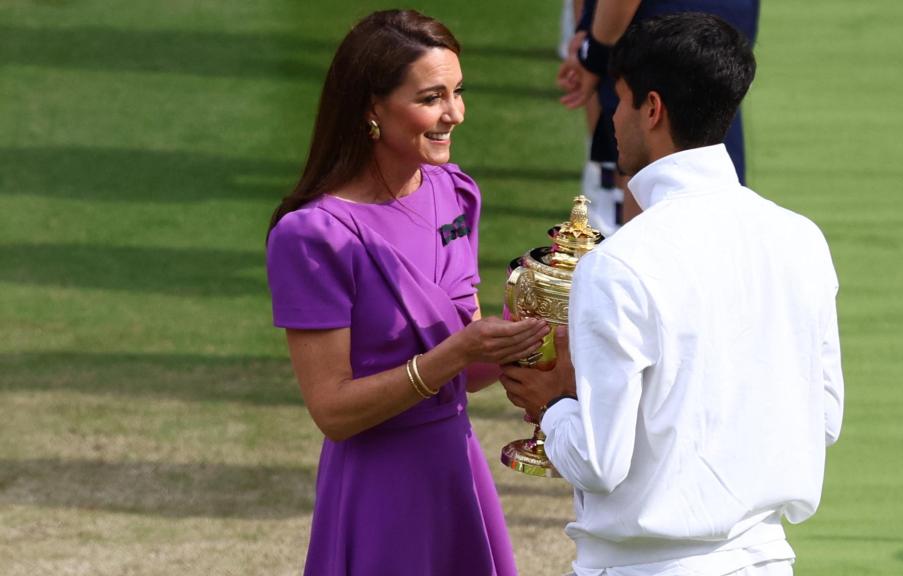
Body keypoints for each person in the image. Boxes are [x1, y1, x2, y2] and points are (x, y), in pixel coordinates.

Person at [501, 13, 843, 576]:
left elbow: (598, 461)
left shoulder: (618, 264)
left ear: (652, 109)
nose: (612, 117)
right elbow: (823, 417)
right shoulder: (801, 239)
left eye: (621, 99)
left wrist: (554, 405)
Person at [265, 10, 549, 575]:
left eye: (458, 92)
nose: (454, 114)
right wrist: (459, 353)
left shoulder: (456, 193)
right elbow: (333, 412)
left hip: (457, 469)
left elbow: (465, 370)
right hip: (378, 492)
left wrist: (535, 334)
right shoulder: (312, 236)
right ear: (372, 107)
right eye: (432, 97)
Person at [559, 0, 760, 234]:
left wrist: (592, 51)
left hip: (658, 38)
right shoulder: (800, 233)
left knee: (651, 168)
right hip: (716, 31)